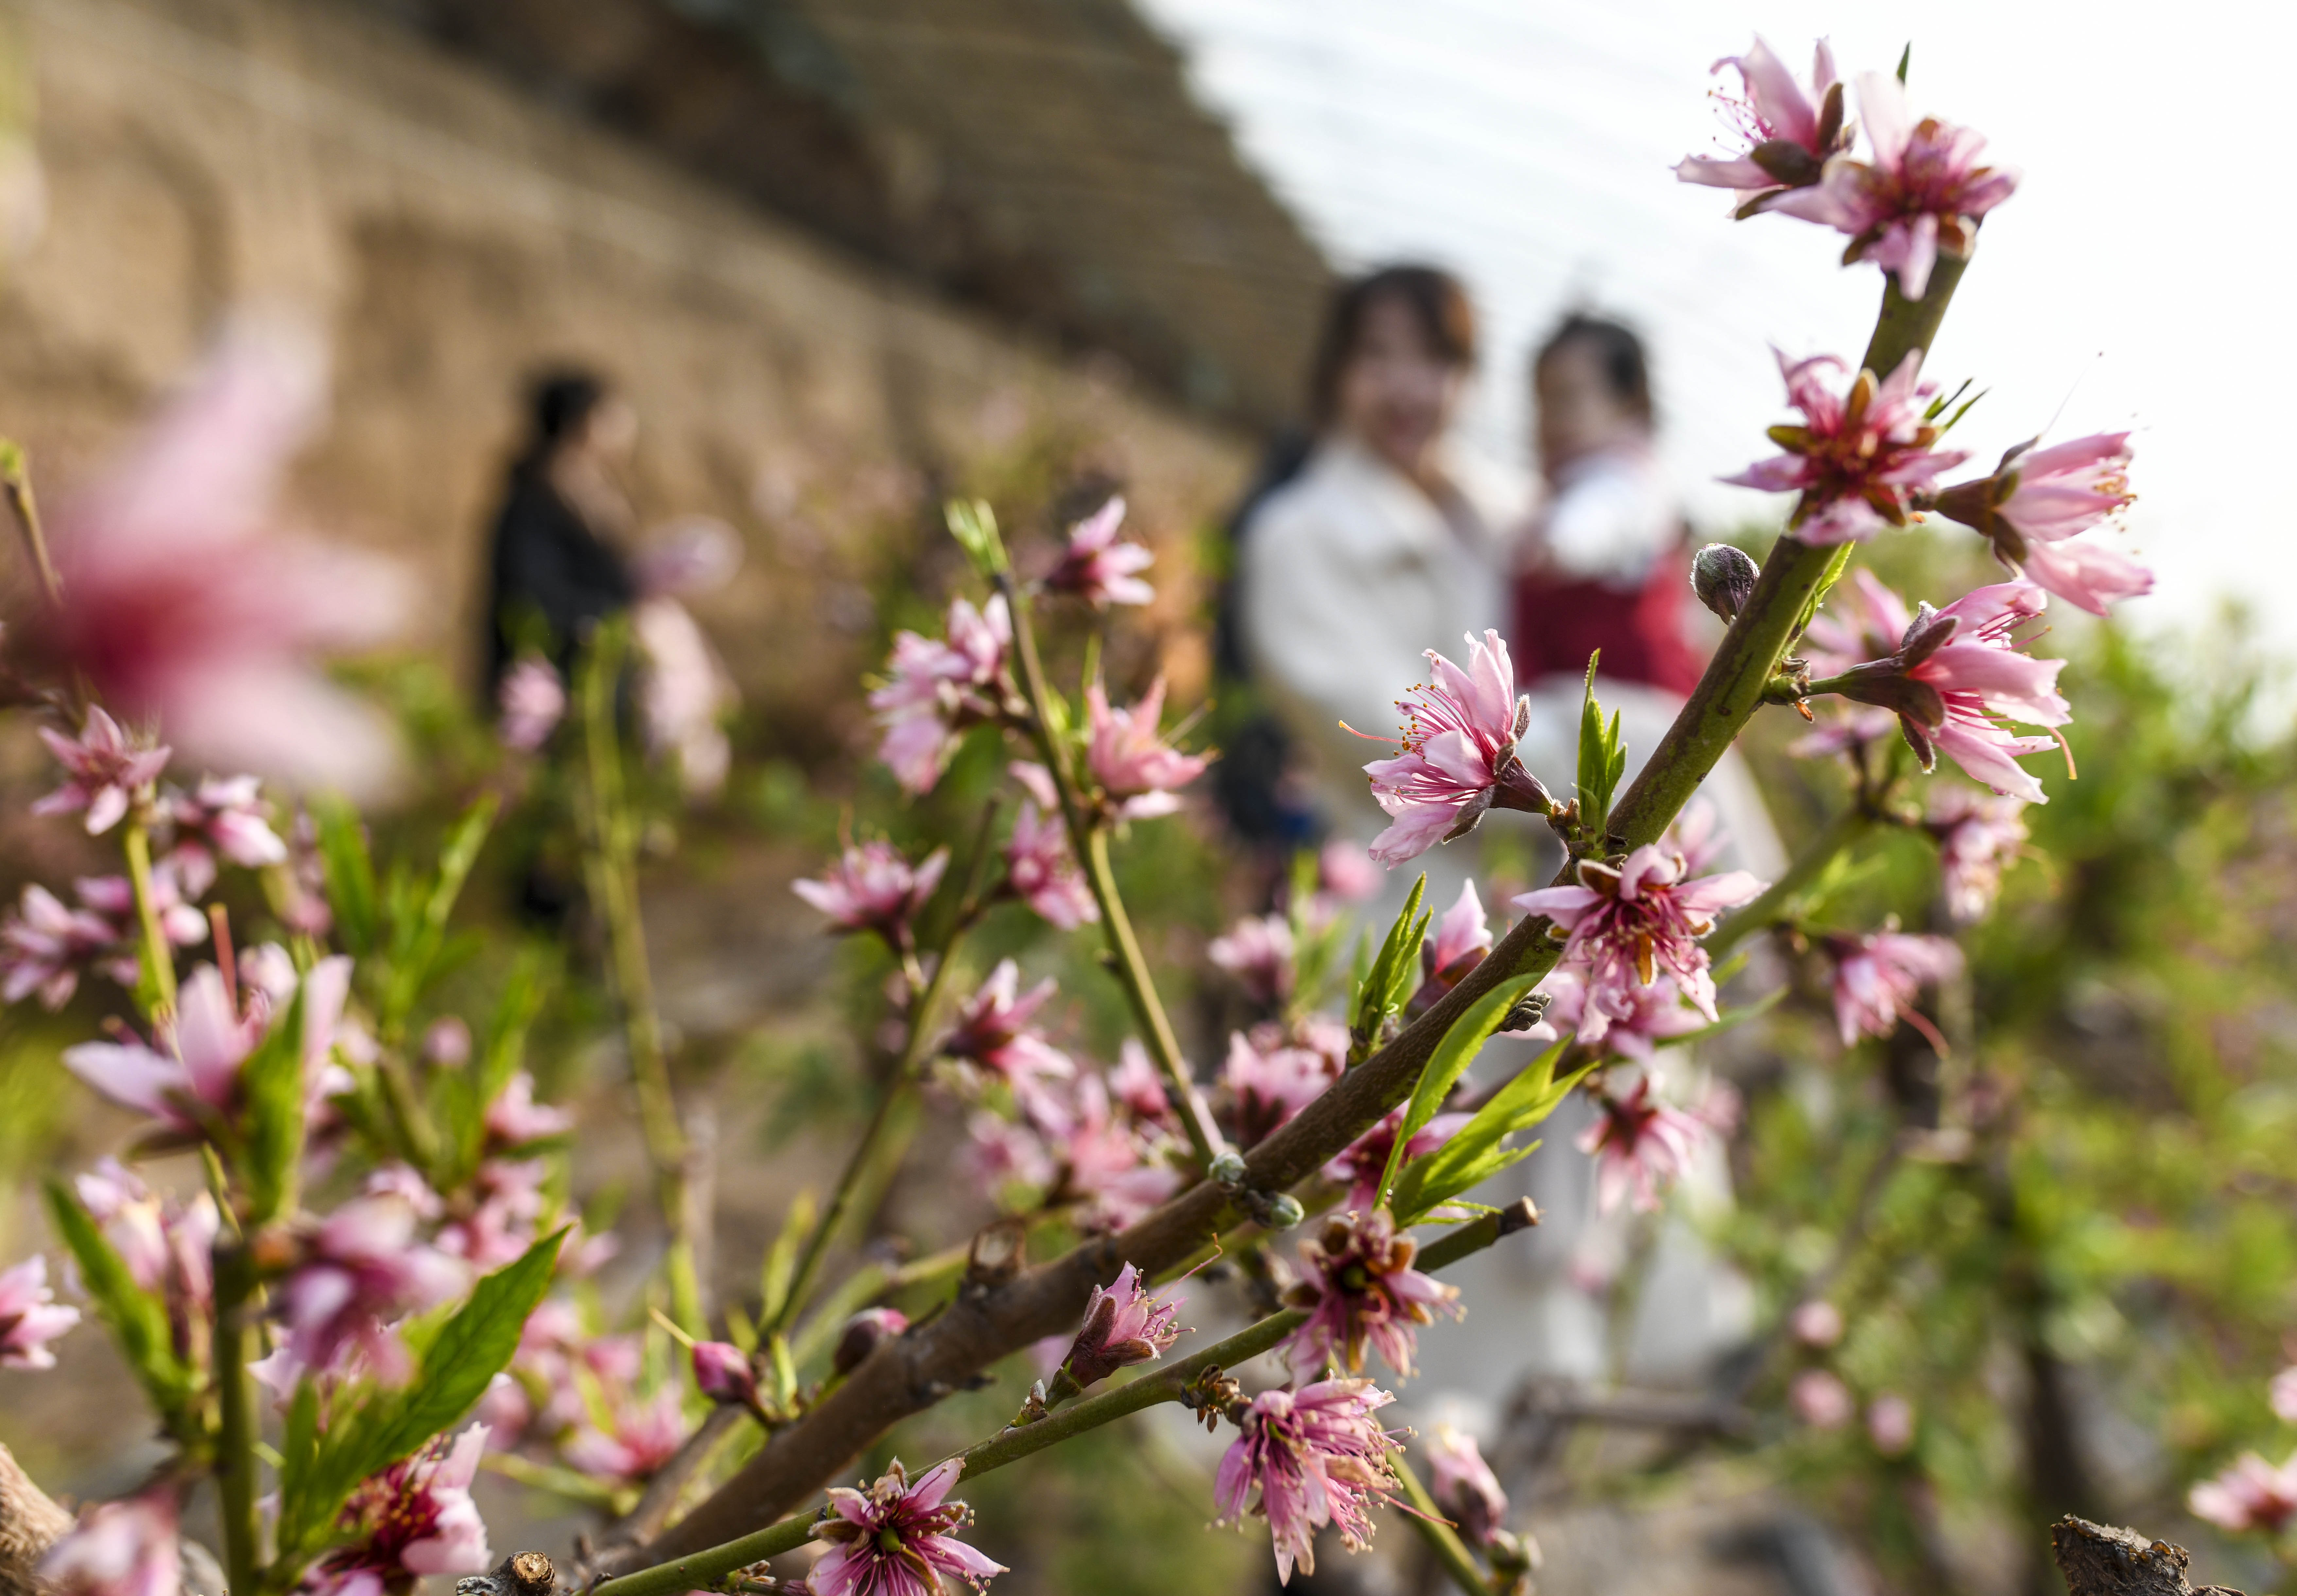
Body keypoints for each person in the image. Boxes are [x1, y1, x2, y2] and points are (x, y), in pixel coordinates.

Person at [1236, 266, 1527, 909]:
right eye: (1377, 354)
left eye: (1433, 358)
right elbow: (1392, 738)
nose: (1406, 386)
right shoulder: (1292, 536)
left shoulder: (1505, 518)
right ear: (1334, 371)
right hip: (1395, 905)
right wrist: (1624, 755)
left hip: (1521, 904)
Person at [482, 370, 640, 697]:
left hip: (601, 669)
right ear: (580, 423)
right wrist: (604, 620)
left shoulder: (593, 493)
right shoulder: (533, 501)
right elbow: (531, 593)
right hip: (557, 679)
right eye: (608, 413)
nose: (625, 423)